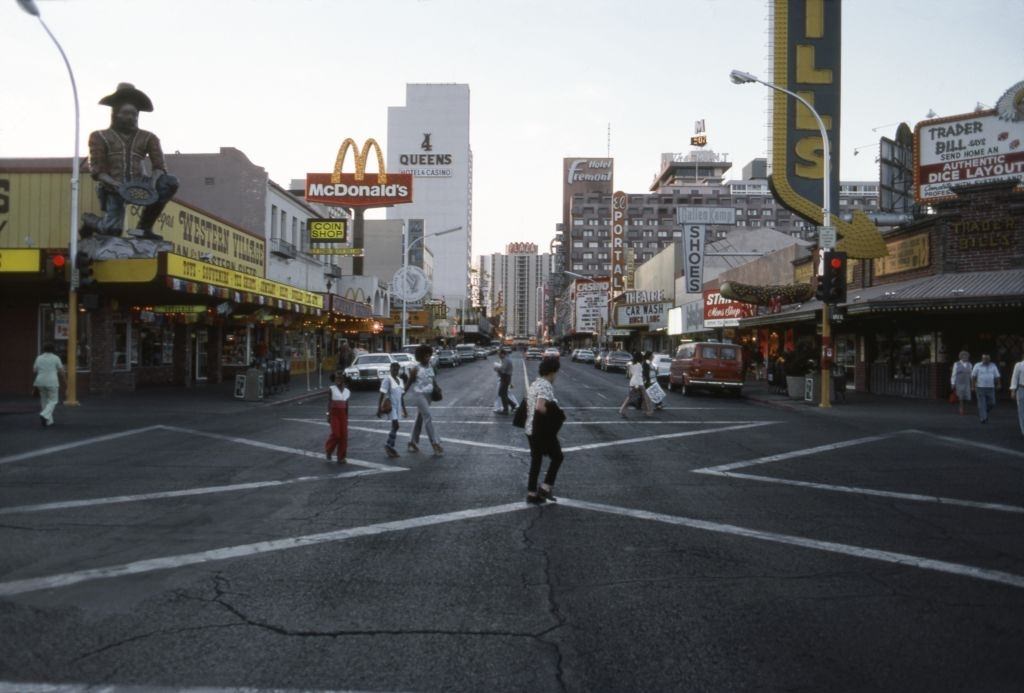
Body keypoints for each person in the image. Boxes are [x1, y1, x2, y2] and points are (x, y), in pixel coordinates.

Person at [81, 83, 178, 241]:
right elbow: (97, 170)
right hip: (112, 185)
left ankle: (144, 228)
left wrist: (153, 183)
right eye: (126, 113)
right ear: (116, 114)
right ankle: (90, 221)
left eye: (134, 114)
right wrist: (115, 184)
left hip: (140, 182)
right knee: (113, 231)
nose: (131, 118)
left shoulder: (149, 137)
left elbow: (159, 166)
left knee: (170, 182)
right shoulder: (99, 136)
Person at [525, 357, 566, 504]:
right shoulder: (545, 385)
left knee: (536, 460)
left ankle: (532, 493)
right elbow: (540, 406)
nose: (556, 376)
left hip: (530, 429)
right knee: (558, 456)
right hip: (541, 430)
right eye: (556, 372)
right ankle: (545, 487)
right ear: (552, 372)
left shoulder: (535, 383)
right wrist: (555, 415)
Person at [407, 344, 444, 455]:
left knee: (419, 418)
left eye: (429, 356)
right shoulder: (416, 369)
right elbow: (408, 384)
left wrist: (437, 388)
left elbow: (432, 380)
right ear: (420, 357)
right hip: (419, 395)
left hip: (428, 396)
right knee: (428, 416)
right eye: (425, 356)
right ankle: (435, 443)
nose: (427, 358)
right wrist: (400, 394)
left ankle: (412, 442)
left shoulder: (430, 367)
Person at [378, 362, 408, 458]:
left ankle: (389, 446)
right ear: (390, 369)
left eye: (396, 369)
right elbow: (382, 394)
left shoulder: (400, 380)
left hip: (398, 406)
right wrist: (379, 408)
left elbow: (401, 397)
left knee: (395, 426)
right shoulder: (387, 380)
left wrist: (404, 409)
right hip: (391, 406)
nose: (395, 371)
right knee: (396, 425)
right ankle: (389, 446)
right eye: (393, 369)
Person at [33, 342, 66, 427]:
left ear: (44, 349)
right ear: (53, 349)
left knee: (44, 401)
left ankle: (49, 421)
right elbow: (61, 371)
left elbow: (34, 370)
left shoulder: (39, 358)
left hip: (40, 381)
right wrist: (65, 380)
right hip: (52, 381)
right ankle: (44, 414)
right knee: (53, 401)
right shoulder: (56, 358)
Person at [324, 371, 350, 463]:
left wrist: (347, 418)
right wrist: (328, 415)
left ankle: (341, 457)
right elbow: (329, 403)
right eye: (336, 378)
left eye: (340, 378)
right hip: (334, 414)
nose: (338, 380)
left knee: (344, 436)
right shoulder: (332, 389)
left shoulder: (347, 391)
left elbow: (347, 405)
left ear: (343, 379)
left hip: (343, 415)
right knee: (336, 434)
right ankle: (329, 450)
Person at [619, 352, 653, 418]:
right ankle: (649, 411)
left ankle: (622, 410)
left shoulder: (631, 365)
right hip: (639, 382)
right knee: (646, 397)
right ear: (640, 358)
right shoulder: (639, 365)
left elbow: (631, 374)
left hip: (633, 382)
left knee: (630, 397)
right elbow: (640, 374)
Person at [971, 353, 1001, 424]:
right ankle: (983, 418)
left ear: (989, 359)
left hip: (991, 387)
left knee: (992, 403)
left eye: (987, 359)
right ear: (982, 359)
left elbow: (997, 376)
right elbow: (973, 376)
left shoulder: (993, 365)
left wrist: (999, 384)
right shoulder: (977, 365)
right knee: (981, 403)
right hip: (980, 387)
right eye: (984, 358)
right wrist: (972, 386)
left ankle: (984, 412)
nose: (986, 360)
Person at [950, 351, 973, 415]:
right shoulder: (956, 364)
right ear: (960, 357)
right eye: (963, 356)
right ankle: (961, 409)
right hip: (959, 383)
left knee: (966, 397)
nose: (964, 357)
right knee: (961, 397)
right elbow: (953, 374)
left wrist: (973, 383)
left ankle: (964, 407)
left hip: (967, 383)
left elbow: (971, 374)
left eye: (966, 356)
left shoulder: (970, 364)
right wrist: (952, 383)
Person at [495, 348, 515, 414]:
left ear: (503, 354)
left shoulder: (506, 360)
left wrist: (497, 368)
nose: (499, 356)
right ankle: (512, 405)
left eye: (499, 354)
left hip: (505, 378)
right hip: (505, 378)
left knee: (502, 394)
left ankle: (506, 409)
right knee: (503, 394)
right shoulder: (505, 359)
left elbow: (503, 370)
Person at [1009, 354, 1024, 438]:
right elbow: (1014, 378)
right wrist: (1013, 391)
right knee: (1022, 410)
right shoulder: (1019, 365)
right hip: (1022, 388)